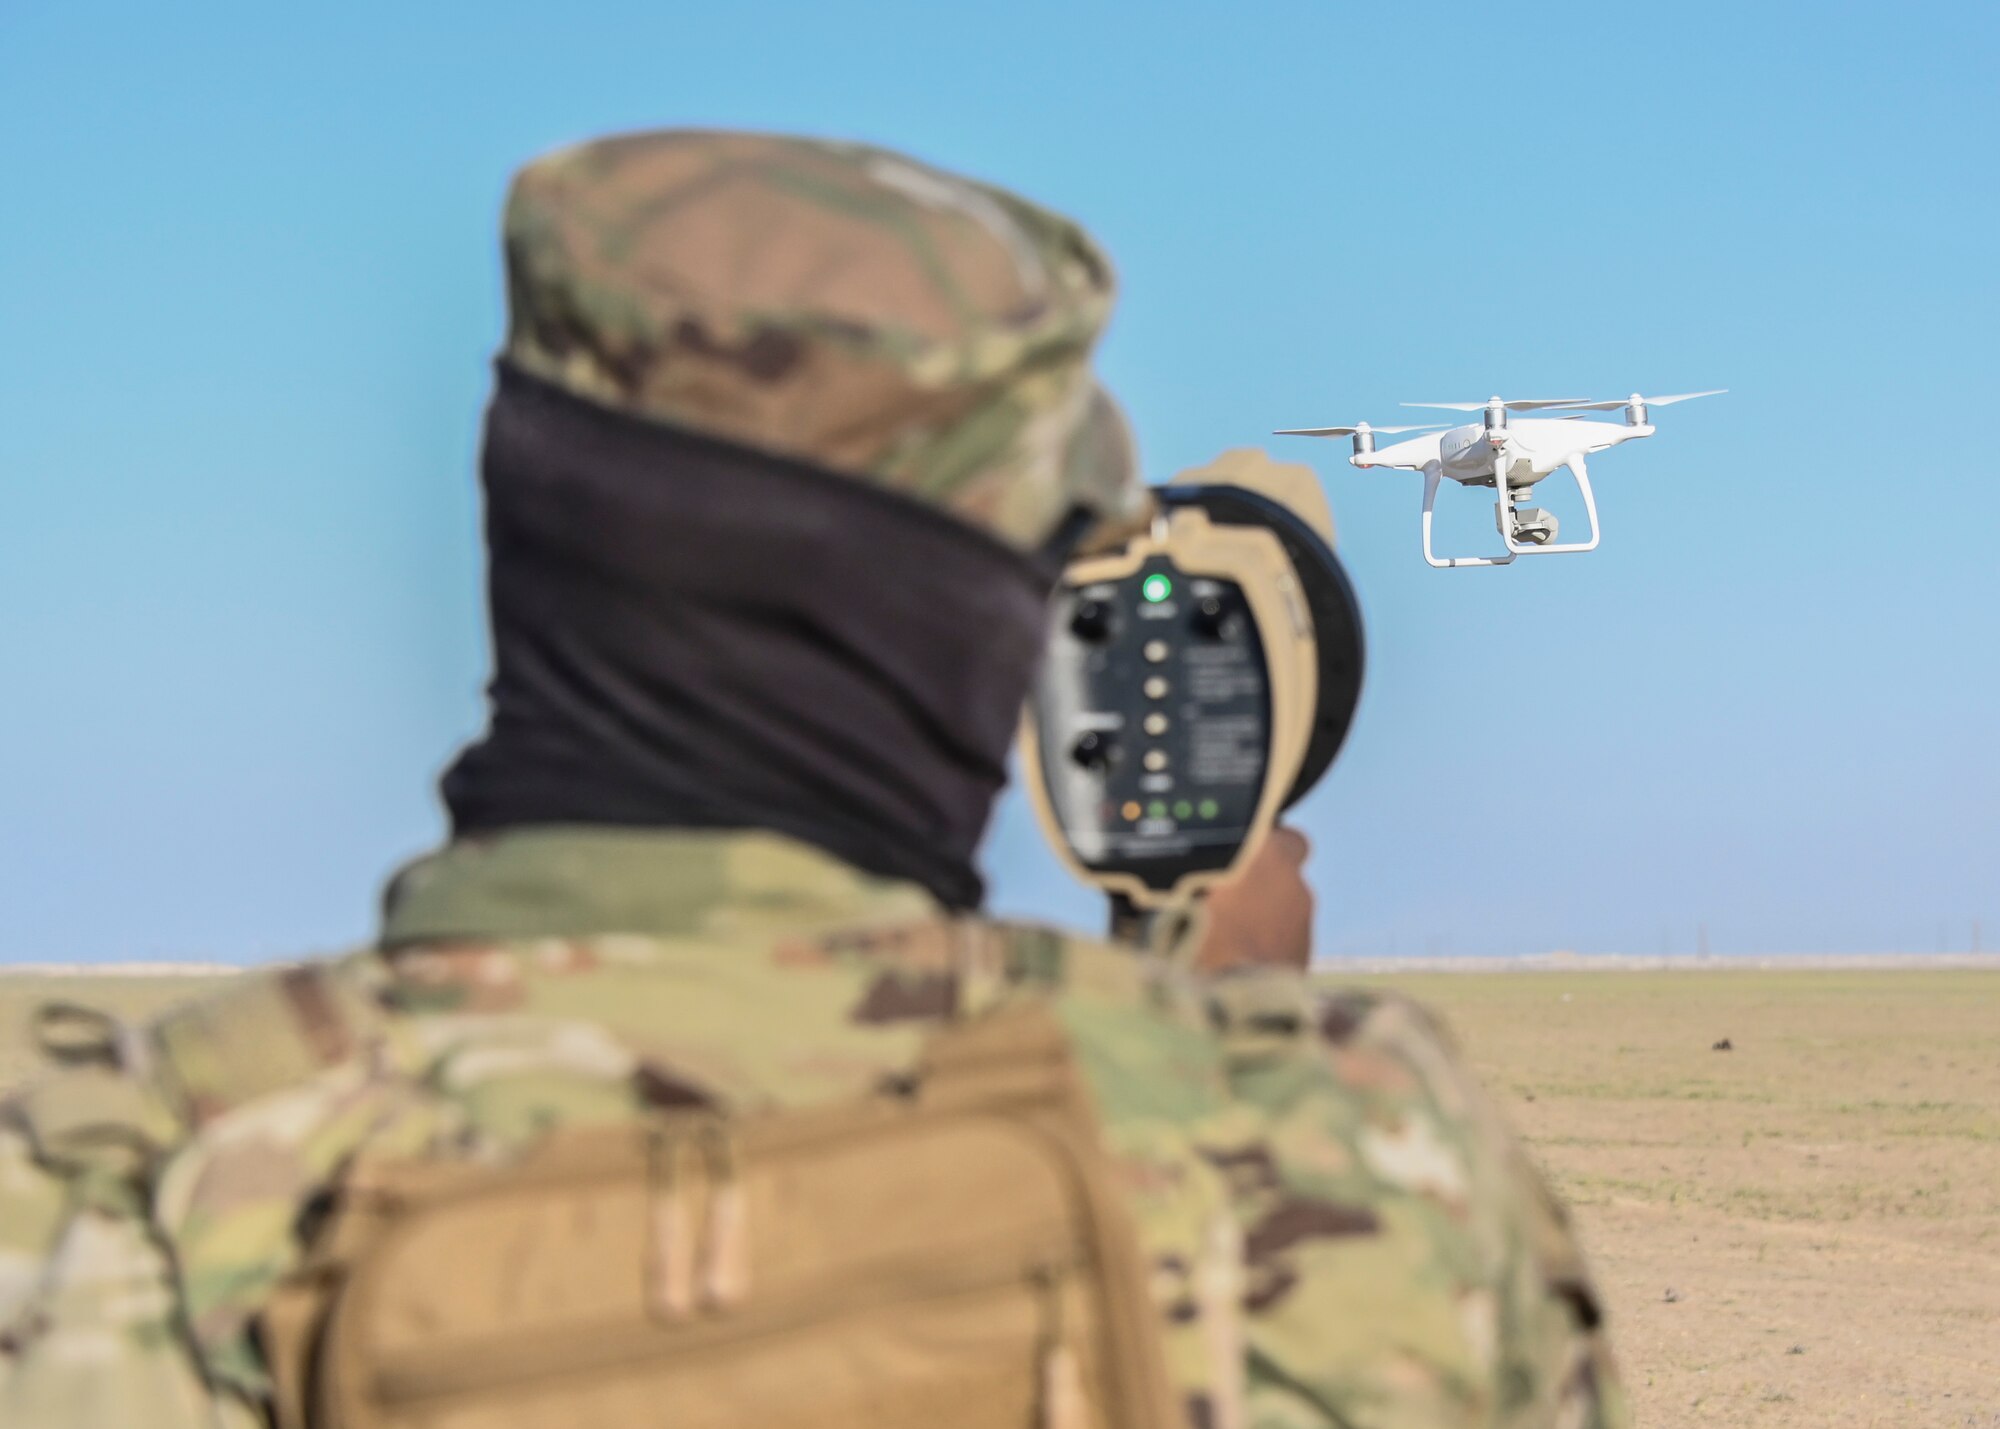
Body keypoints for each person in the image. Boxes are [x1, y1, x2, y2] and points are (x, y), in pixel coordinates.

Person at [0, 128, 1625, 1429]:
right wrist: (1243, 1052)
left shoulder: (102, 1184)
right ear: (1002, 626)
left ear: (524, 533)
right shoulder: (1349, 1163)